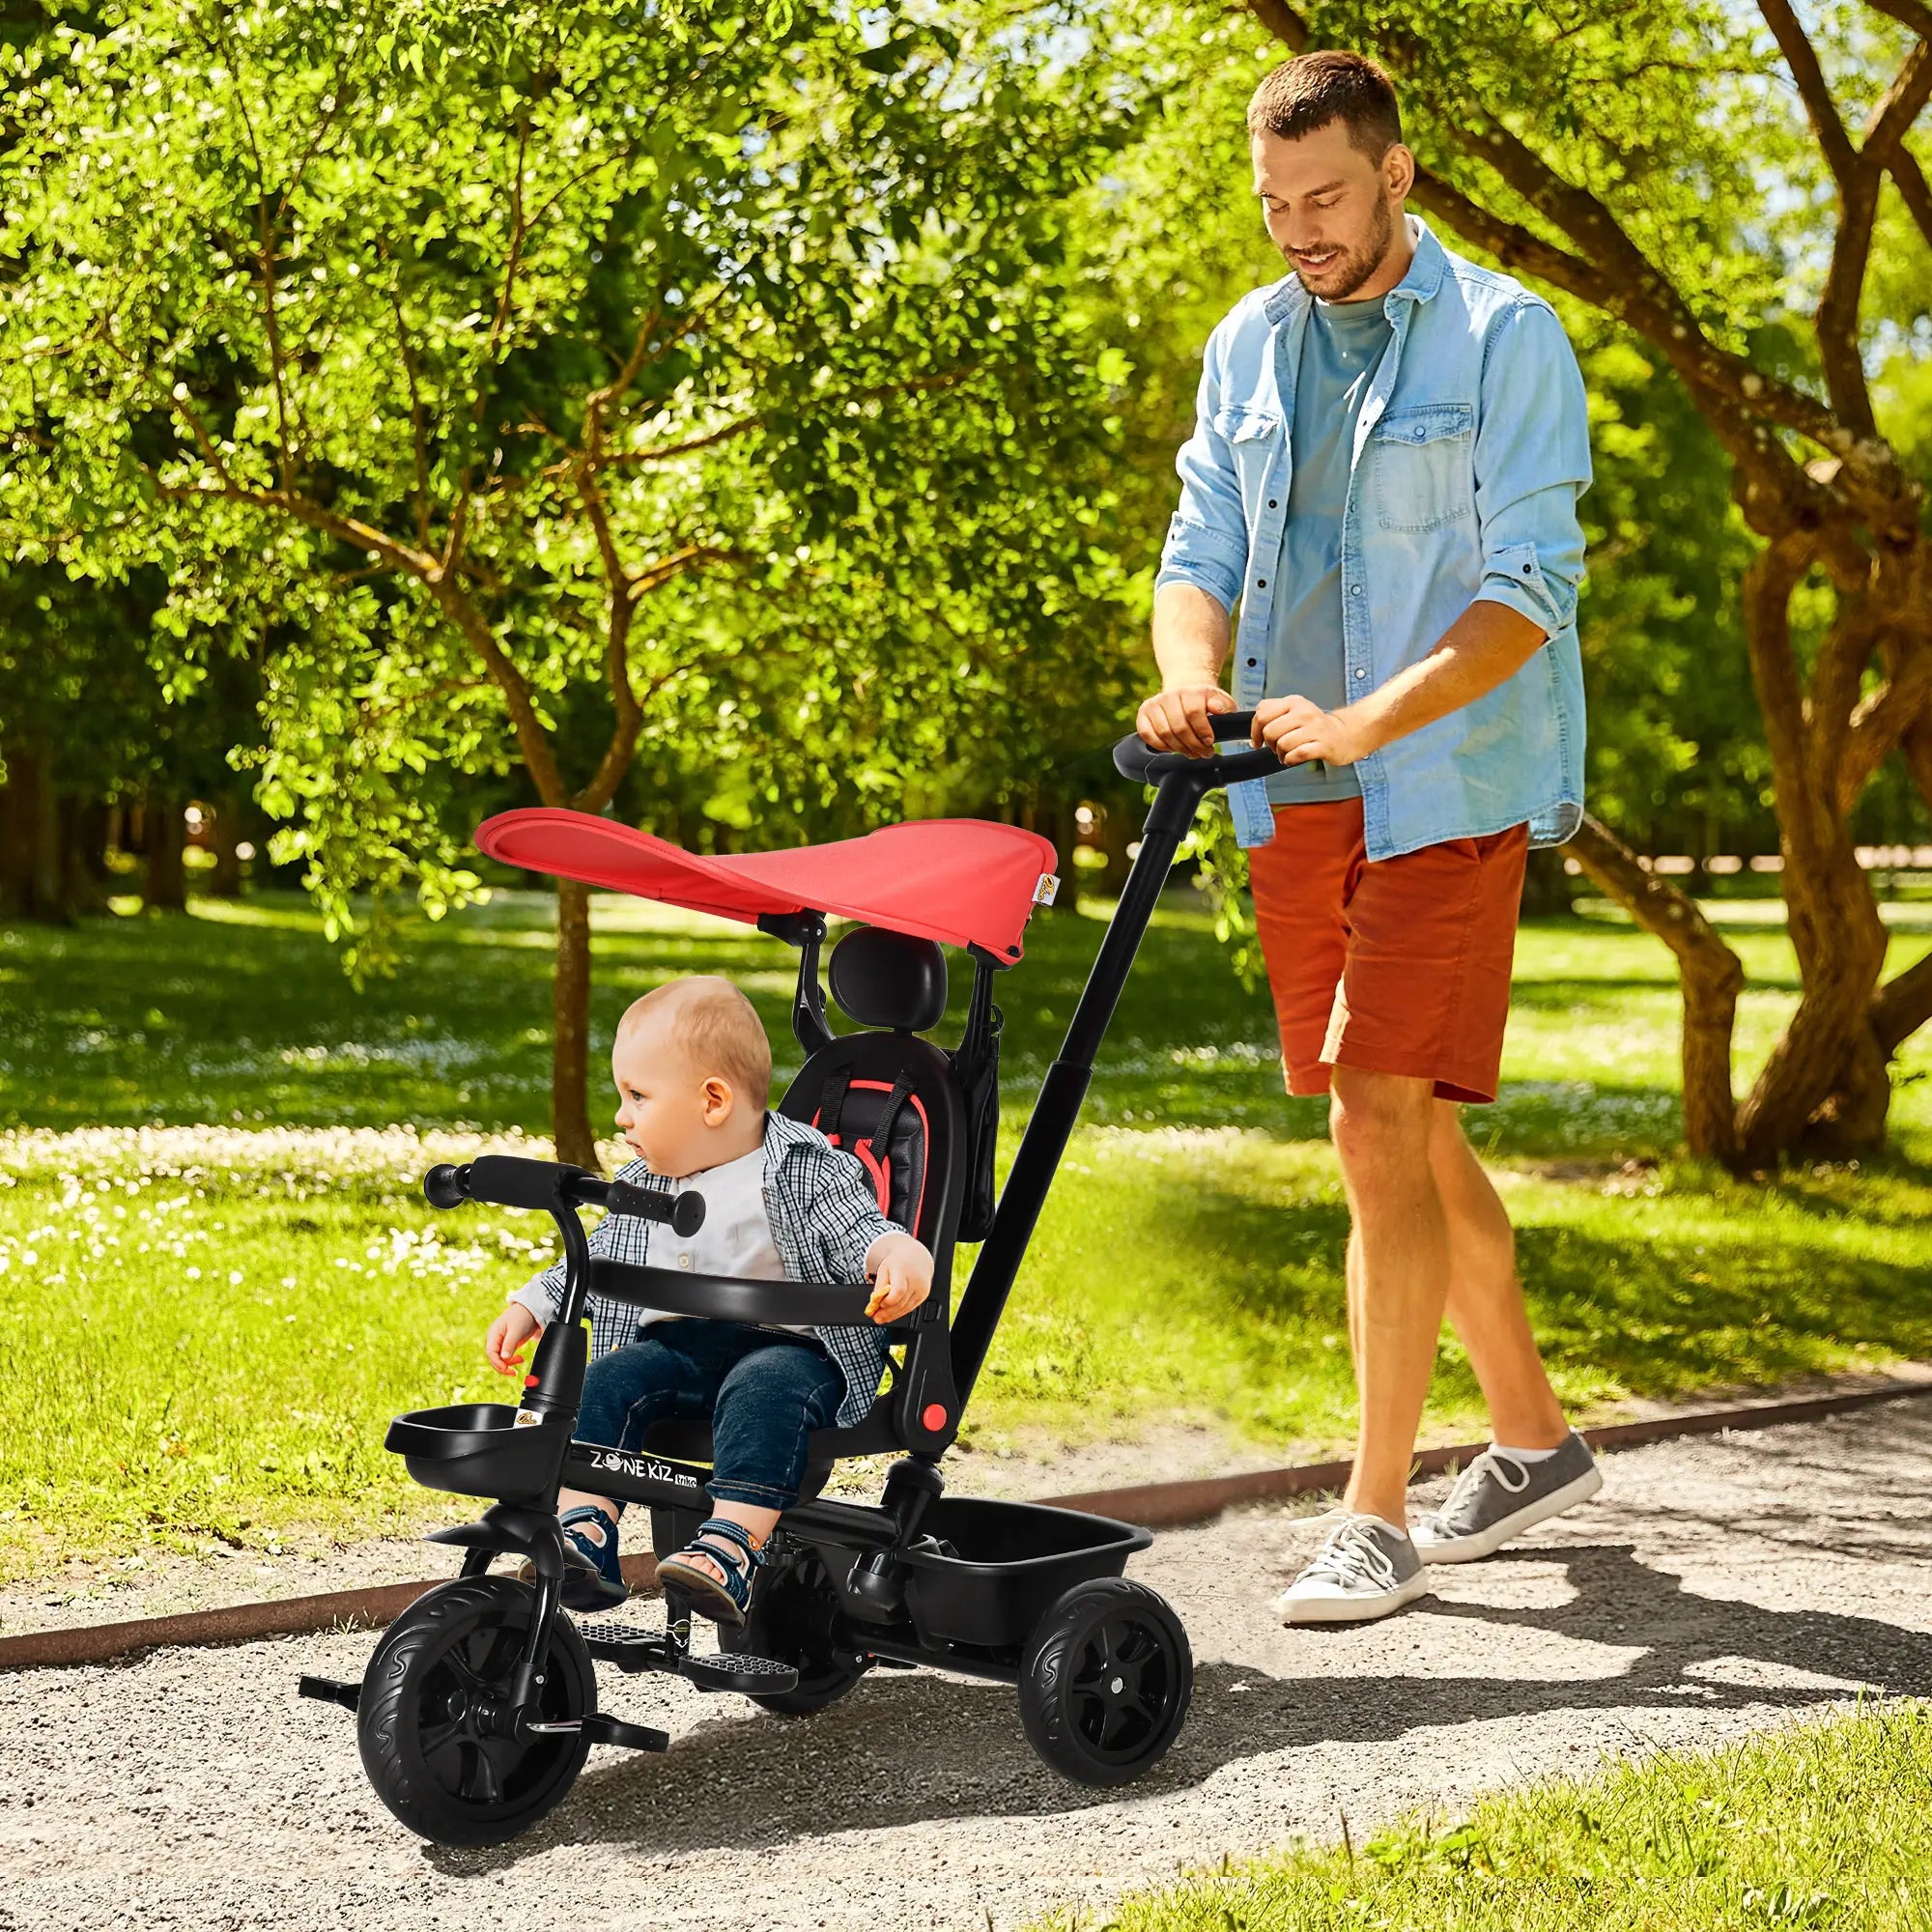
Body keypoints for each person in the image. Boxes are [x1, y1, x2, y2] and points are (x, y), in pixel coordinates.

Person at [1138, 50, 1602, 1625]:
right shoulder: (1253, 345)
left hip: (1445, 787)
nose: (1298, 231)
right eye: (1274, 205)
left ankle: (1377, 1511)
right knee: (1401, 1122)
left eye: (1324, 197)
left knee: (1369, 1127)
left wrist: (1365, 722)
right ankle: (1532, 1438)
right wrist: (1191, 680)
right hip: (1289, 794)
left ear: (1396, 175)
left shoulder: (1503, 339)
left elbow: (1532, 588)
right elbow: (1201, 542)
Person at [486, 976, 933, 1625]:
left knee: (763, 1387)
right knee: (606, 1380)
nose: (621, 1116)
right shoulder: (643, 1182)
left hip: (791, 1351)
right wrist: (534, 1306)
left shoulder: (803, 1169)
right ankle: (583, 1527)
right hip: (681, 1350)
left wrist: (899, 1257)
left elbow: (860, 1231)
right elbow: (600, 1256)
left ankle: (730, 1547)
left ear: (713, 1101)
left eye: (637, 1097)